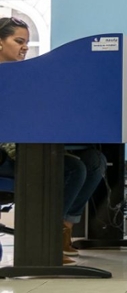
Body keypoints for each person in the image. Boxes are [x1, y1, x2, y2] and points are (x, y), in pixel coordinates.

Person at [0, 16, 107, 265]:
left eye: (26, 42)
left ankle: (63, 228)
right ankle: (45, 238)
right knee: (72, 167)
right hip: (5, 153)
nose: (25, 47)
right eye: (18, 41)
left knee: (95, 160)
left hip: (23, 144)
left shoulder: (25, 77)